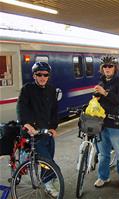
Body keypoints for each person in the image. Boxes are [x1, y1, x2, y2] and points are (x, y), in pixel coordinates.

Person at [17, 62, 59, 197]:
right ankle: (48, 184)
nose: (42, 77)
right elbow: (21, 107)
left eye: (45, 75)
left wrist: (53, 127)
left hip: (47, 132)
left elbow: (54, 110)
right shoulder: (27, 89)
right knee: (48, 161)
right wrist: (27, 124)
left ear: (48, 76)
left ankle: (47, 180)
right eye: (39, 74)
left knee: (49, 157)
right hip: (33, 133)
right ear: (34, 75)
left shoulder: (51, 90)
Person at [93, 55, 119, 191]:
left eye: (110, 66)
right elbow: (98, 100)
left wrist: (105, 93)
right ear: (102, 69)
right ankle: (103, 177)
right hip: (101, 124)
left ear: (115, 68)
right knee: (103, 154)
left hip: (115, 123)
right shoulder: (101, 82)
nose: (107, 68)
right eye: (105, 66)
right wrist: (95, 98)